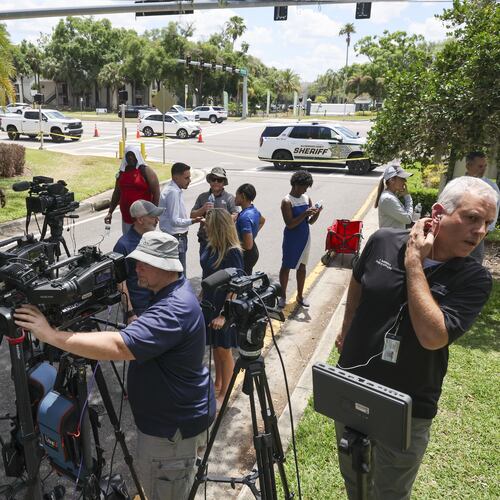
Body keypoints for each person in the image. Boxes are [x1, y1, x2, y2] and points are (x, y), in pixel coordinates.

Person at [14, 232, 216, 500]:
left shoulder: (174, 308)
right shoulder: (170, 292)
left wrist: (51, 336)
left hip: (171, 434)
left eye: (145, 262)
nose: (136, 268)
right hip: (177, 424)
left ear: (166, 267)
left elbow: (120, 347)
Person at [334, 176, 498, 500]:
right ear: (439, 213)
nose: (480, 232)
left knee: (390, 492)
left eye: (488, 223)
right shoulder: (382, 241)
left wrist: (414, 264)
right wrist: (347, 326)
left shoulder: (474, 278)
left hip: (409, 405)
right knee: (354, 480)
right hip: (354, 383)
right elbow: (357, 281)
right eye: (472, 218)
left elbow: (432, 337)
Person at [200, 208, 243, 406]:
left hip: (223, 308)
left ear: (217, 227)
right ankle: (218, 384)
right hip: (210, 305)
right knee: (216, 348)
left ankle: (225, 394)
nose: (204, 226)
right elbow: (207, 275)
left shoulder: (232, 251)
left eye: (208, 224)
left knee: (224, 351)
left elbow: (236, 285)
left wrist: (224, 314)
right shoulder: (211, 246)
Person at [113, 199, 164, 320]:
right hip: (139, 309)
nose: (157, 220)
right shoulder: (123, 246)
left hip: (158, 303)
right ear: (140, 220)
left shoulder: (153, 238)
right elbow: (121, 283)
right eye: (153, 217)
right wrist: (130, 313)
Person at [278, 170, 321, 309]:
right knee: (286, 266)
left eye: (307, 187)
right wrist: (304, 214)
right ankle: (283, 296)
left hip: (305, 237)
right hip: (292, 238)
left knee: (302, 267)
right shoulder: (286, 201)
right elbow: (290, 224)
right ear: (295, 184)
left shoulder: (307, 198)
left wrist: (317, 213)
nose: (305, 189)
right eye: (304, 186)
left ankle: (300, 296)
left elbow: (311, 221)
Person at [105, 145, 160, 235]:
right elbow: (117, 193)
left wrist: (153, 214)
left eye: (132, 155)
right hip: (127, 217)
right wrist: (110, 212)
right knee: (128, 243)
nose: (130, 158)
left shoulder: (146, 171)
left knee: (143, 244)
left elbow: (156, 194)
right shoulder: (121, 173)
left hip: (143, 218)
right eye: (128, 155)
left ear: (137, 156)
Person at [159, 162, 203, 275]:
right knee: (179, 275)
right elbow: (174, 221)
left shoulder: (173, 189)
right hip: (176, 238)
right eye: (186, 178)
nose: (189, 180)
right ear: (176, 177)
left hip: (175, 238)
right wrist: (193, 220)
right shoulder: (173, 192)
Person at [190, 167, 239, 255]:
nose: (216, 182)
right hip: (205, 239)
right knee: (206, 267)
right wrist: (203, 209)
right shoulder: (202, 197)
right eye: (213, 179)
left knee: (223, 268)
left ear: (223, 183)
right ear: (210, 181)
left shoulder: (230, 198)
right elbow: (192, 215)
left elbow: (236, 215)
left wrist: (219, 220)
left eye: (219, 180)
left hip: (223, 240)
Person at [464, 151, 500, 263]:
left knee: (474, 265)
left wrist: (486, 230)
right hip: (456, 230)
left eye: (485, 166)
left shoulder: (491, 187)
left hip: (478, 233)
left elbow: (495, 209)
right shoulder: (457, 184)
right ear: (468, 165)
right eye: (480, 166)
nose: (483, 169)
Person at [234, 183, 266, 275]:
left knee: (242, 282)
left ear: (243, 196)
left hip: (246, 255)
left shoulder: (245, 217)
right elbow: (262, 221)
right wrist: (252, 234)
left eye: (237, 195)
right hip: (252, 252)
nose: (235, 198)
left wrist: (232, 246)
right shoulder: (253, 210)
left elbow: (248, 246)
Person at [374, 163, 414, 229]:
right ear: (392, 180)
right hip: (391, 238)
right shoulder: (388, 198)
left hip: (393, 237)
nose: (405, 181)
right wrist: (407, 196)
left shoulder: (390, 196)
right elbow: (408, 219)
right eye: (402, 178)